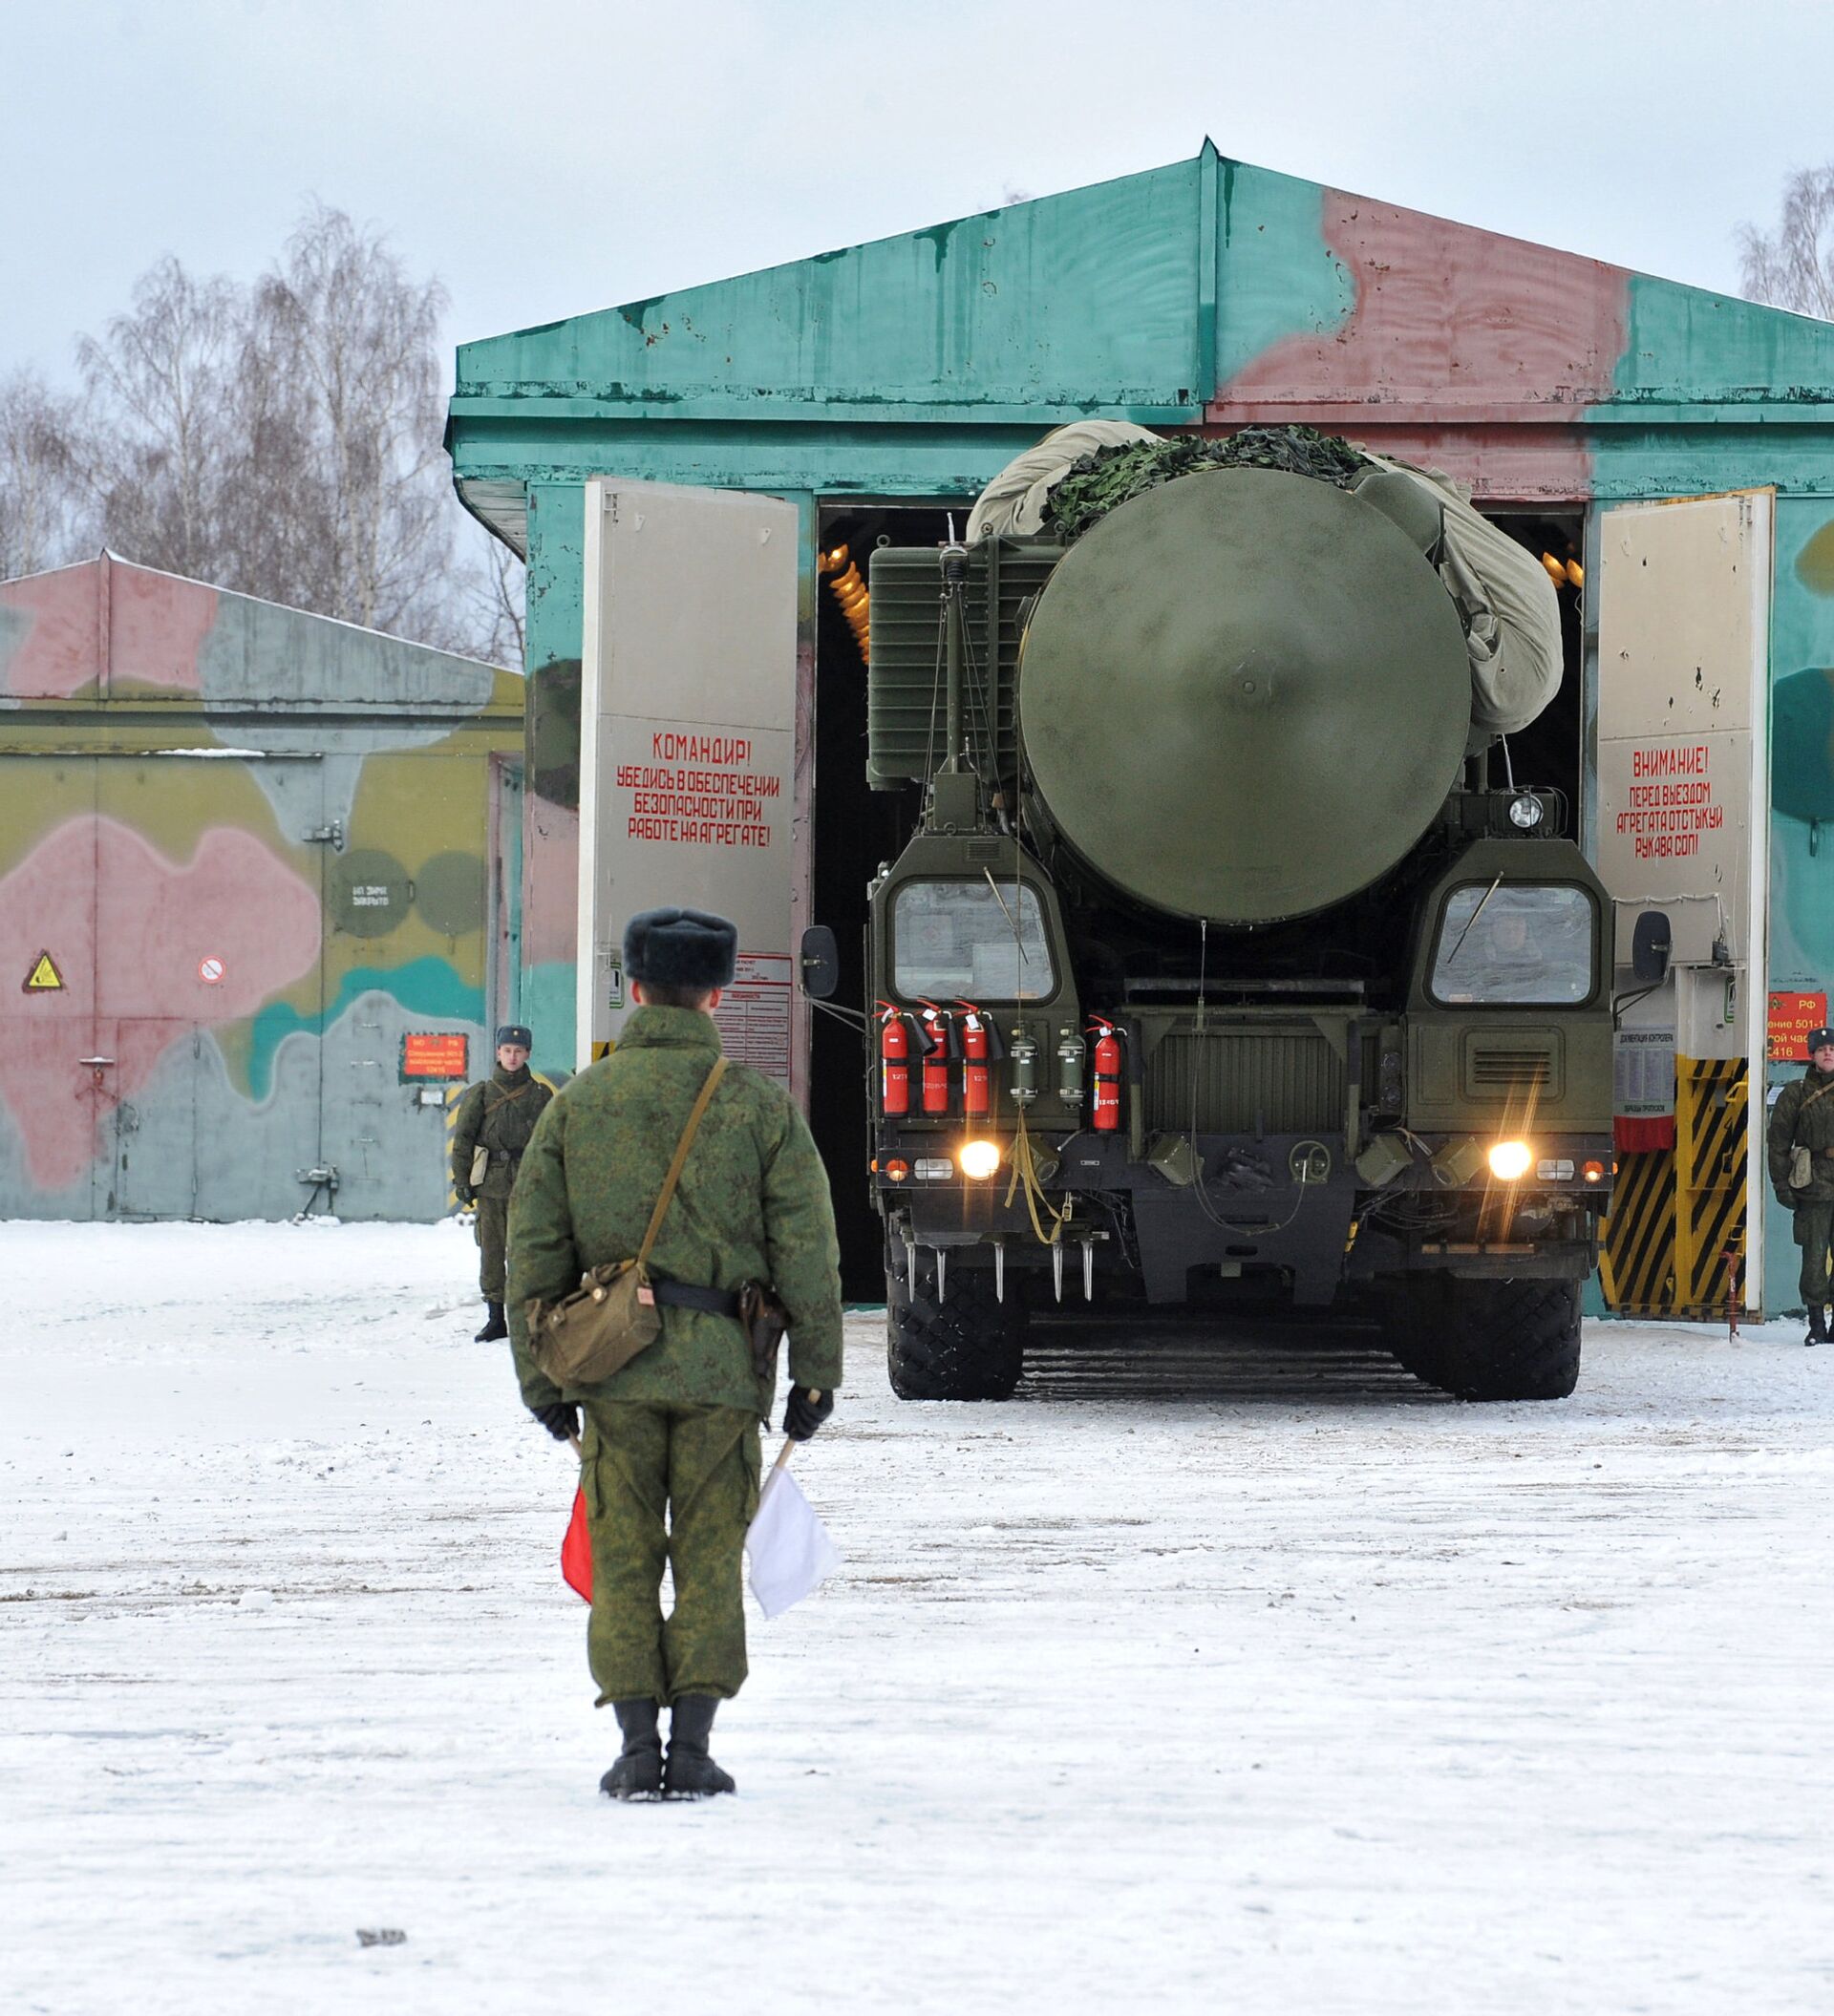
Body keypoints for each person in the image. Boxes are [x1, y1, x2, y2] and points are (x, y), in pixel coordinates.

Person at [505, 906, 843, 1800]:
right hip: (722, 1374)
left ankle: (630, 1747)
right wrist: (817, 1371)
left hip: (610, 1373)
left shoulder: (577, 1104)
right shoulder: (758, 1106)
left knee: (622, 1552)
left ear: (636, 990)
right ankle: (691, 1748)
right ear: (718, 995)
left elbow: (532, 1252)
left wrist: (542, 1381)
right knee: (706, 1553)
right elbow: (808, 1248)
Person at [452, 1025, 553, 1342]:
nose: (512, 1056)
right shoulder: (481, 1094)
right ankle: (496, 1318)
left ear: (528, 1054)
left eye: (518, 1051)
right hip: (492, 1184)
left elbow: (552, 1142)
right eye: (507, 1050)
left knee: (526, 1253)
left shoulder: (541, 1095)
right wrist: (462, 1180)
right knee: (492, 1253)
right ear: (498, 1052)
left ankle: (527, 1317)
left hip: (528, 1185)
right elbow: (463, 1140)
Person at [1766, 1023, 1834, 1347]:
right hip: (1814, 1185)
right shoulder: (1796, 1093)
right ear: (1812, 1055)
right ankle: (1817, 1324)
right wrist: (1781, 1184)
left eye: (1833, 1049)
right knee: (1814, 1258)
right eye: (1822, 1050)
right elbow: (1778, 1141)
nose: (1828, 1053)